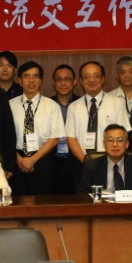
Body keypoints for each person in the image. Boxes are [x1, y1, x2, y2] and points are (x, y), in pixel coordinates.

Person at [9, 61, 65, 196]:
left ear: (40, 81)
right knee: (17, 202)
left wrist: (32, 159)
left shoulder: (52, 106)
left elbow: (55, 139)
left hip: (43, 160)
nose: (31, 80)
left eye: (35, 76)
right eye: (27, 76)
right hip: (17, 161)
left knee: (42, 201)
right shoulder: (9, 105)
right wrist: (19, 159)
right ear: (20, 81)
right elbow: (5, 137)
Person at [66, 60, 131, 173]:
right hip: (81, 164)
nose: (92, 80)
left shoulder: (117, 103)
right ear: (81, 81)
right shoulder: (73, 107)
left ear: (103, 79)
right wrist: (86, 162)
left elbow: (122, 135)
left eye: (96, 76)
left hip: (111, 164)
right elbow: (71, 138)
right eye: (87, 77)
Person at [76, 124, 132, 193]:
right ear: (104, 144)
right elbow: (82, 194)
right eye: (110, 140)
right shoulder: (91, 166)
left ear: (127, 144)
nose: (115, 144)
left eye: (120, 140)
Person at [49, 63, 80, 194]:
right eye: (59, 79)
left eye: (67, 79)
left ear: (74, 82)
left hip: (76, 162)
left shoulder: (82, 104)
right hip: (51, 162)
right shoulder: (46, 104)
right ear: (53, 83)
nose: (63, 83)